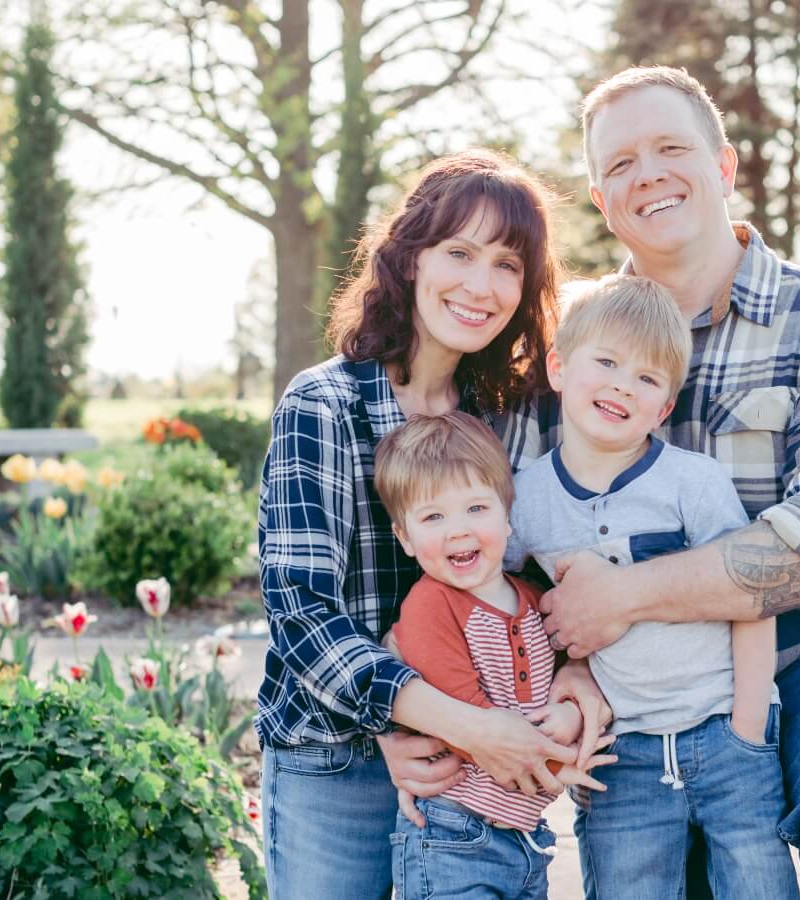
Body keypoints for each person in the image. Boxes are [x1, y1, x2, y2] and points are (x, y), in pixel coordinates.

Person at [497, 67, 800, 899]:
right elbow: (504, 525)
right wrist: (564, 660)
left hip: (799, 650)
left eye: (671, 147)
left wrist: (622, 596)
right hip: (625, 669)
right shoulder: (568, 339)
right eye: (621, 164)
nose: (649, 174)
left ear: (725, 165)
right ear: (601, 199)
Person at [256, 149, 609, 900]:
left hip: (476, 779)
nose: (481, 287)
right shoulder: (323, 407)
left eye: (508, 265)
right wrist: (448, 723)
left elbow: (544, 583)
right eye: (460, 253)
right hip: (338, 758)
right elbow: (301, 614)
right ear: (411, 258)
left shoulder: (508, 420)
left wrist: (575, 675)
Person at [505, 274, 790, 899]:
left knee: (760, 887)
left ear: (664, 408)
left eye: (646, 378)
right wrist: (563, 677)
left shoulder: (694, 482)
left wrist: (748, 729)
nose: (620, 385)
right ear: (558, 367)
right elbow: (508, 596)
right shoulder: (526, 500)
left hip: (723, 731)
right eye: (605, 361)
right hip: (620, 752)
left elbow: (753, 597)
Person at [373, 411, 615, 899]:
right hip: (452, 833)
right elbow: (466, 721)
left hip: (525, 835)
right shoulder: (430, 606)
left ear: (508, 516)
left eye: (476, 508)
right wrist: (556, 764)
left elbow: (564, 679)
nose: (458, 531)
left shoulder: (531, 599)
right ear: (405, 537)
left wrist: (566, 716)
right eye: (433, 516)